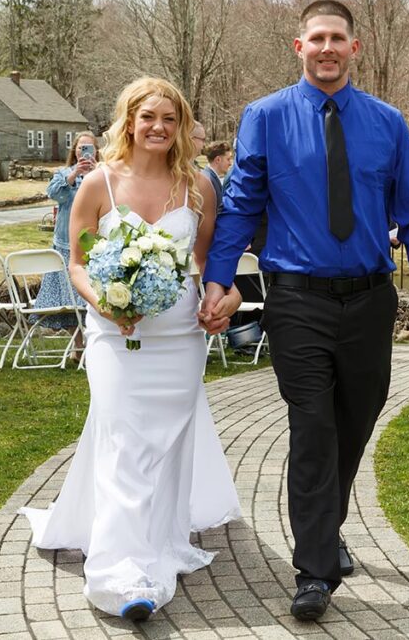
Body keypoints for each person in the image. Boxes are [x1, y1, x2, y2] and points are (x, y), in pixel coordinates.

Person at [199, 0, 409, 622]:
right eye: (316, 38)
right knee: (312, 429)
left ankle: (326, 526)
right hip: (297, 300)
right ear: (299, 47)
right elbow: (238, 207)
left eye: (337, 38)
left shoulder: (388, 123)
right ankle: (314, 571)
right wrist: (217, 278)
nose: (326, 48)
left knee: (355, 422)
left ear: (354, 47)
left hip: (371, 302)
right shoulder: (264, 118)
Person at [19, 77, 242, 622]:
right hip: (113, 336)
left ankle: (158, 543)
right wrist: (103, 302)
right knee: (122, 440)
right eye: (148, 117)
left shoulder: (197, 189)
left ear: (182, 125)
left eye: (170, 118)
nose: (159, 128)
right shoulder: (99, 183)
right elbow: (75, 261)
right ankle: (122, 575)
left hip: (181, 337)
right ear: (129, 120)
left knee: (165, 447)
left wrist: (229, 298)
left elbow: (214, 264)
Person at [33, 132, 97, 353]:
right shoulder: (64, 174)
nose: (85, 152)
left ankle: (93, 343)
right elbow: (54, 194)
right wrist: (74, 175)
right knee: (69, 298)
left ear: (96, 151)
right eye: (81, 148)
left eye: (89, 148)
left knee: (90, 296)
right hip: (65, 243)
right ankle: (77, 347)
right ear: (75, 151)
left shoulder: (102, 175)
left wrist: (95, 173)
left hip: (95, 244)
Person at [203, 141, 233, 212]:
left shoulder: (209, 176)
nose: (230, 163)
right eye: (228, 159)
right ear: (218, 160)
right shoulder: (208, 180)